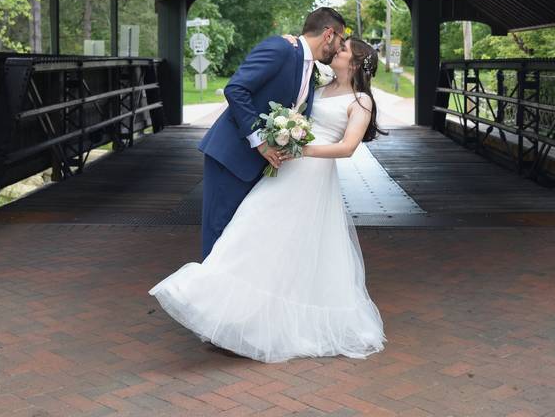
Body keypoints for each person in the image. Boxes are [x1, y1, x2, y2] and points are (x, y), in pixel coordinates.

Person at [148, 37, 388, 363]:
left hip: (312, 178)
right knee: (249, 228)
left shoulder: (361, 101)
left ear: (357, 62)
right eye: (338, 44)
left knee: (287, 244)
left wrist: (301, 149)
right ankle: (233, 314)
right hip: (286, 170)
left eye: (344, 49)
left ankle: (268, 322)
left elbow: (346, 148)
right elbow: (301, 68)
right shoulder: (319, 85)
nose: (337, 50)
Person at [195, 6, 348, 261]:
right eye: (341, 40)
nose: (340, 47)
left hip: (258, 167)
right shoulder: (281, 49)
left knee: (240, 236)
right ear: (329, 34)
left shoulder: (309, 68)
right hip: (231, 157)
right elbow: (236, 89)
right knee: (219, 233)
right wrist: (260, 142)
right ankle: (201, 298)